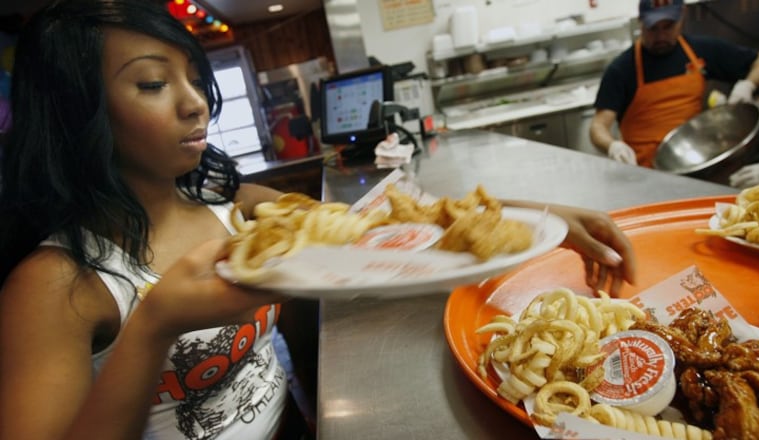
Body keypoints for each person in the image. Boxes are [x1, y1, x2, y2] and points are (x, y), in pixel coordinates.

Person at [0, 1, 636, 439]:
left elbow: (372, 225)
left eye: (193, 79)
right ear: (76, 112)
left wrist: (539, 220)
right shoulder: (55, 284)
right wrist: (154, 326)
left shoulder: (231, 206)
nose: (196, 103)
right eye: (151, 84)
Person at [590, 0, 759, 168]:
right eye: (653, 28)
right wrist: (612, 145)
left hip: (694, 162)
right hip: (645, 169)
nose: (661, 36)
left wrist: (747, 85)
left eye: (668, 26)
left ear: (682, 17)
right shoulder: (622, 69)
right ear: (640, 23)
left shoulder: (700, 50)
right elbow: (598, 126)